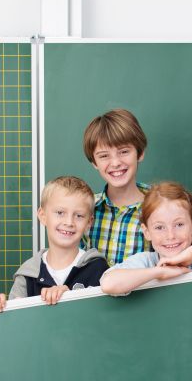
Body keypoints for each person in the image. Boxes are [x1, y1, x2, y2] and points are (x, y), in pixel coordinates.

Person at [101, 181, 192, 296]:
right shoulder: (146, 262)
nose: (170, 235)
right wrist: (158, 273)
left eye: (179, 224)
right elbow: (109, 284)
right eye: (159, 227)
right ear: (146, 232)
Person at [0, 176, 108, 312]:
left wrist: (71, 298)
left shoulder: (98, 269)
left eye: (79, 216)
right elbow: (17, 324)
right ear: (43, 216)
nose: (69, 222)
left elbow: (106, 319)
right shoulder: (28, 276)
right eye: (60, 213)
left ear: (89, 222)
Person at [82, 108, 151, 265]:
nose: (115, 163)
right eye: (104, 156)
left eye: (124, 151)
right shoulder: (84, 209)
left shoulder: (160, 207)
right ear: (94, 162)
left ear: (140, 153)